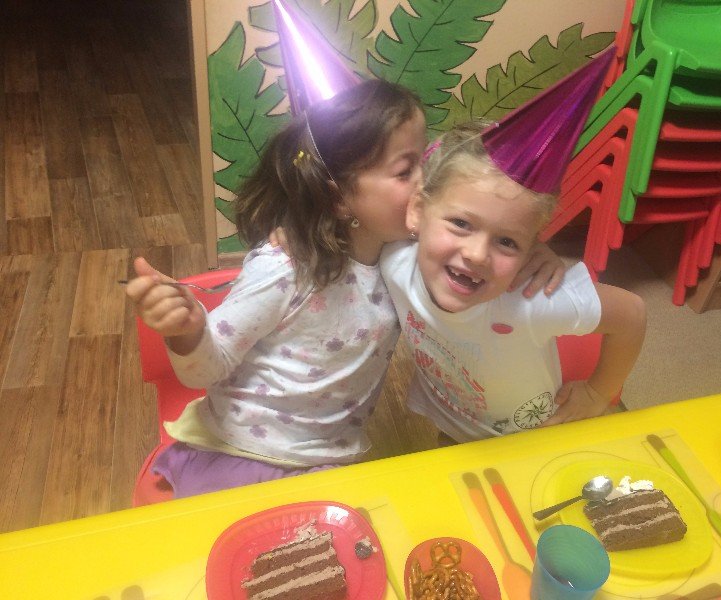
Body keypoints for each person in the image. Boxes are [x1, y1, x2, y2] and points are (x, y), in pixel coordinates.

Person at [125, 79, 565, 498]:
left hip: (327, 462)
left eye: (425, 160)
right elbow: (204, 372)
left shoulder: (406, 258)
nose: (427, 180)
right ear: (337, 198)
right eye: (406, 170)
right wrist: (187, 330)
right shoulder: (286, 268)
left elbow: (480, 240)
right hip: (242, 454)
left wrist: (527, 250)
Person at [380, 120, 646, 442]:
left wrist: (597, 393)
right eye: (461, 223)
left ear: (531, 249)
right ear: (417, 210)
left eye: (507, 242)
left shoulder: (533, 300)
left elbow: (632, 314)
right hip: (450, 420)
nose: (477, 254)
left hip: (532, 440)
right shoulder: (393, 261)